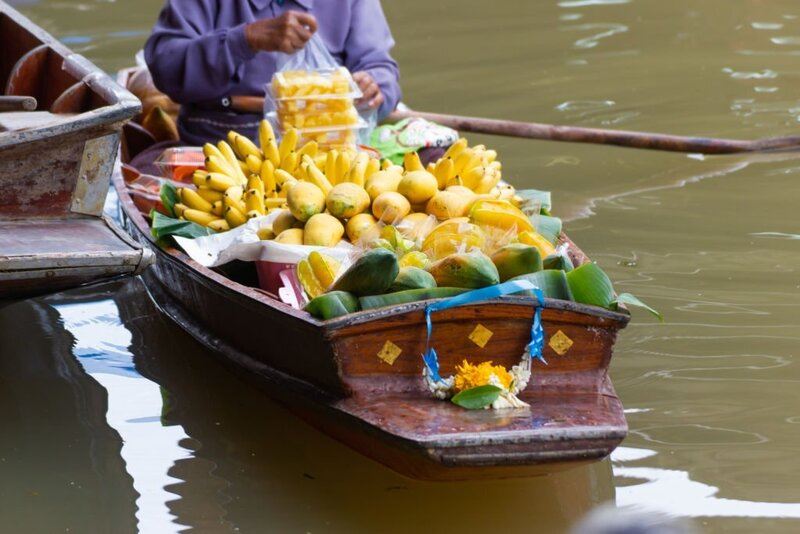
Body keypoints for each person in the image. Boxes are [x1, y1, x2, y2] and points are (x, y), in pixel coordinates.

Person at [144, 0, 402, 145]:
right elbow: (166, 68)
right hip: (220, 143)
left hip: (330, 146)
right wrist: (244, 39)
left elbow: (380, 68)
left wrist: (372, 87)